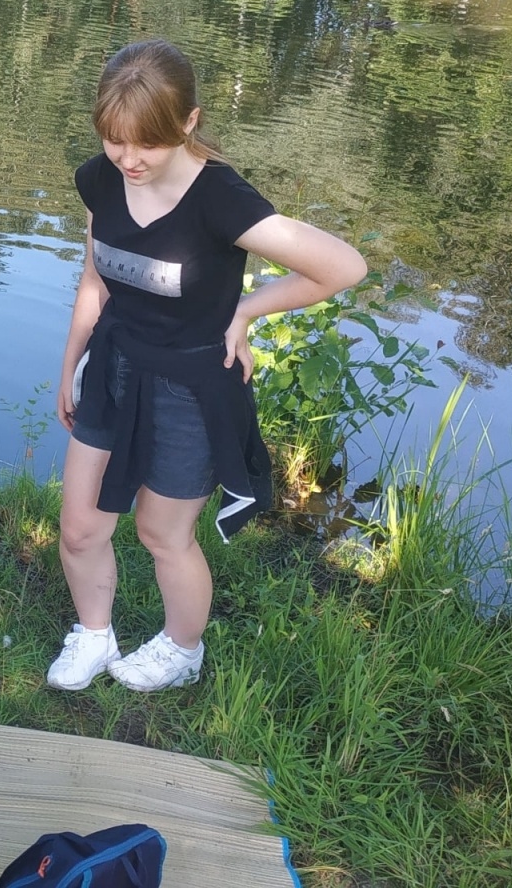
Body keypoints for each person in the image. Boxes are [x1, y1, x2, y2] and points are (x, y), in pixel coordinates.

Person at [47, 39, 366, 693]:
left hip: (189, 387)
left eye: (147, 144)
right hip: (114, 369)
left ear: (188, 122)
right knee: (80, 527)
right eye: (115, 141)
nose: (129, 160)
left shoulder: (219, 197)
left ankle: (181, 649)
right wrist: (70, 363)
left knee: (162, 533)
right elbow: (94, 275)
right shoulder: (99, 178)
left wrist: (247, 311)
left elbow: (342, 266)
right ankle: (94, 633)